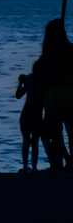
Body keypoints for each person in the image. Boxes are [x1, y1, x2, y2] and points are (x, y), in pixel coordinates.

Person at [31, 18, 73, 169]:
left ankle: (61, 162)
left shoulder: (50, 52)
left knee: (56, 133)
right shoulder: (68, 50)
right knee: (66, 132)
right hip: (66, 96)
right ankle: (65, 161)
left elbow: (40, 71)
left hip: (55, 98)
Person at [17, 73, 42, 172]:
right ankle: (33, 167)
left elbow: (18, 95)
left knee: (27, 141)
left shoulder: (30, 80)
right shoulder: (41, 82)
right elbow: (18, 95)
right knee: (34, 142)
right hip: (35, 114)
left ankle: (26, 166)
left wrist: (22, 83)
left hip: (28, 113)